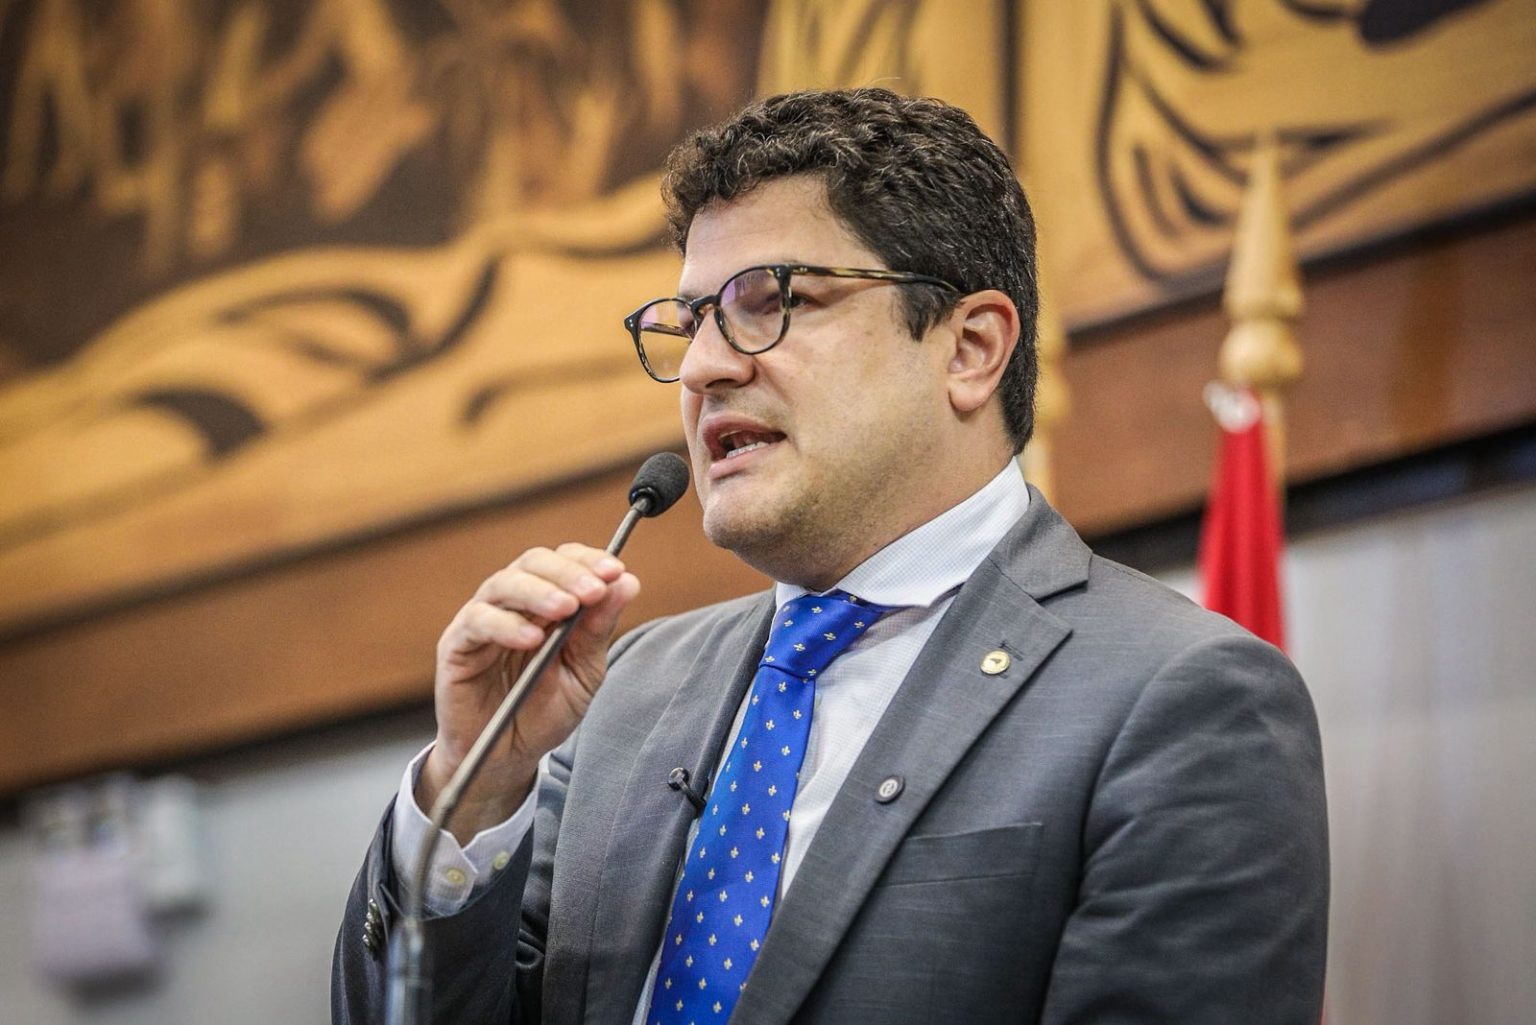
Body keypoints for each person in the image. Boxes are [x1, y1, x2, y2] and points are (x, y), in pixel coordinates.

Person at [333, 88, 1328, 1024]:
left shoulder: (1181, 697)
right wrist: (474, 788)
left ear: (971, 348)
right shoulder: (622, 695)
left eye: (772, 299)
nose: (706, 367)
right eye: (692, 320)